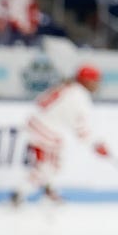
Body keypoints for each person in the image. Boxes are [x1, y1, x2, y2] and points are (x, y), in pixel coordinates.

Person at [11, 65, 109, 205]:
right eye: (96, 81)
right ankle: (20, 192)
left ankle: (49, 191)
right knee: (49, 166)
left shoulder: (66, 87)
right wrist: (95, 144)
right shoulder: (79, 96)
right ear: (87, 81)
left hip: (36, 125)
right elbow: (81, 128)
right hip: (47, 131)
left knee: (51, 163)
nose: (97, 84)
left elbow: (41, 102)